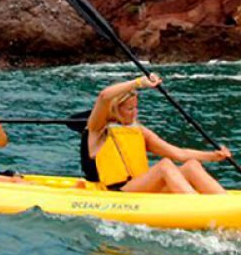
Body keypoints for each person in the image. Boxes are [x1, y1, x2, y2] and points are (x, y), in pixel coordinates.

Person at [82, 73, 232, 193]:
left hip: (142, 187)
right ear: (115, 109)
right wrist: (139, 82)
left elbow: (179, 154)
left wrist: (213, 156)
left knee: (191, 165)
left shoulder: (139, 131)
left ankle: (224, 203)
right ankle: (198, 208)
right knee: (164, 166)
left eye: (136, 107)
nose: (135, 113)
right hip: (117, 190)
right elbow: (104, 96)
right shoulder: (98, 129)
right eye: (130, 109)